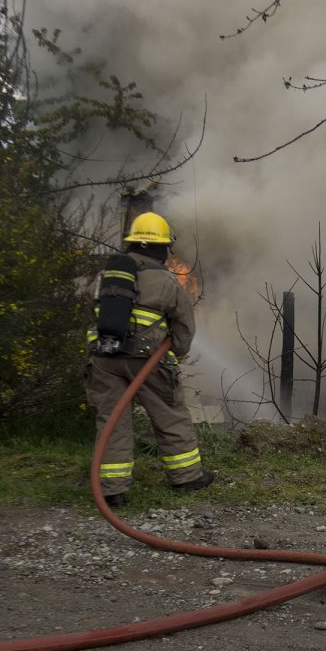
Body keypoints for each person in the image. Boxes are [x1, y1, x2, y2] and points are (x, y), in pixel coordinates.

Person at [84, 211, 214, 508]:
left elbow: (94, 309)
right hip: (147, 359)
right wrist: (175, 352)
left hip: (103, 358)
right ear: (161, 249)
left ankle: (112, 489)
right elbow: (184, 329)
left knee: (112, 420)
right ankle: (186, 476)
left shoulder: (105, 276)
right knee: (170, 413)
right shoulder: (166, 282)